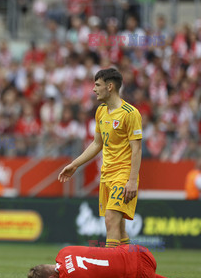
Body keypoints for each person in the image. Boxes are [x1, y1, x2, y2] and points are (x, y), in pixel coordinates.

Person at [58, 68, 142, 248]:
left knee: (110, 219)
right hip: (106, 174)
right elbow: (97, 144)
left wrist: (132, 180)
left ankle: (110, 271)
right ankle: (130, 268)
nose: (94, 89)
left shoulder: (130, 113)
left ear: (110, 86)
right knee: (119, 226)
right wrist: (74, 164)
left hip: (123, 175)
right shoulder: (100, 111)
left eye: (97, 85)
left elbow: (137, 149)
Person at [28, 244, 189, 278]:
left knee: (129, 274)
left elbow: (63, 277)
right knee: (117, 254)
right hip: (140, 250)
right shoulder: (64, 251)